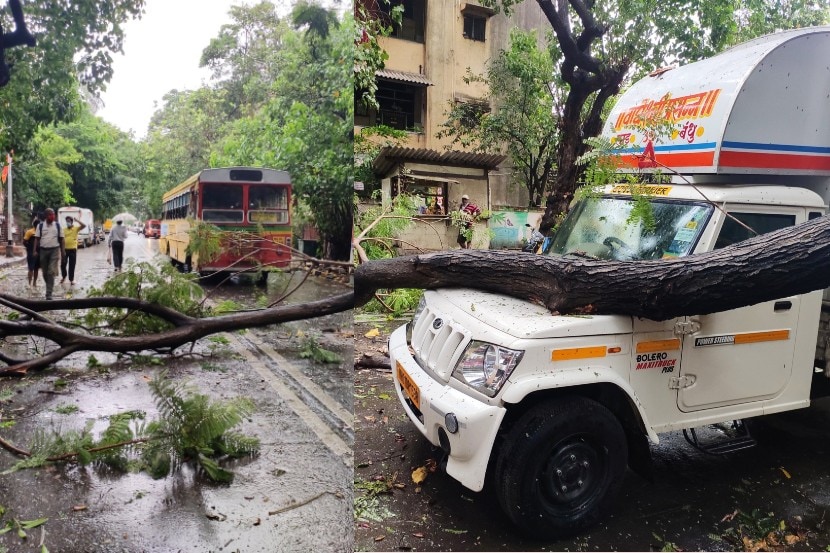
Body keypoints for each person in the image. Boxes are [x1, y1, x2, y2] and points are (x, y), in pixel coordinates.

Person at [32, 208, 65, 300]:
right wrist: (34, 250)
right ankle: (50, 285)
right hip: (43, 251)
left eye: (53, 214)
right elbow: (37, 239)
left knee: (51, 272)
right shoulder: (40, 226)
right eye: (50, 215)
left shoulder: (57, 225)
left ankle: (48, 293)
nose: (53, 216)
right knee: (45, 273)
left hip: (54, 250)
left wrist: (63, 252)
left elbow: (62, 239)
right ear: (46, 216)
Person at [60, 215, 86, 285]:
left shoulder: (75, 229)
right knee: (63, 265)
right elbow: (61, 239)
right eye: (67, 221)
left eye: (69, 221)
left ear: (71, 222)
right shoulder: (64, 230)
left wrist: (77, 220)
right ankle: (64, 276)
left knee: (72, 265)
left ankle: (71, 279)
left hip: (73, 249)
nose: (67, 222)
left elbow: (84, 225)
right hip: (64, 249)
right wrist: (61, 250)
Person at [22, 218, 39, 287]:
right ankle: (29, 283)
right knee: (31, 268)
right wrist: (30, 249)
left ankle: (34, 282)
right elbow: (24, 242)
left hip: (39, 253)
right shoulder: (30, 232)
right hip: (31, 253)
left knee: (36, 268)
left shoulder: (41, 232)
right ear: (35, 225)